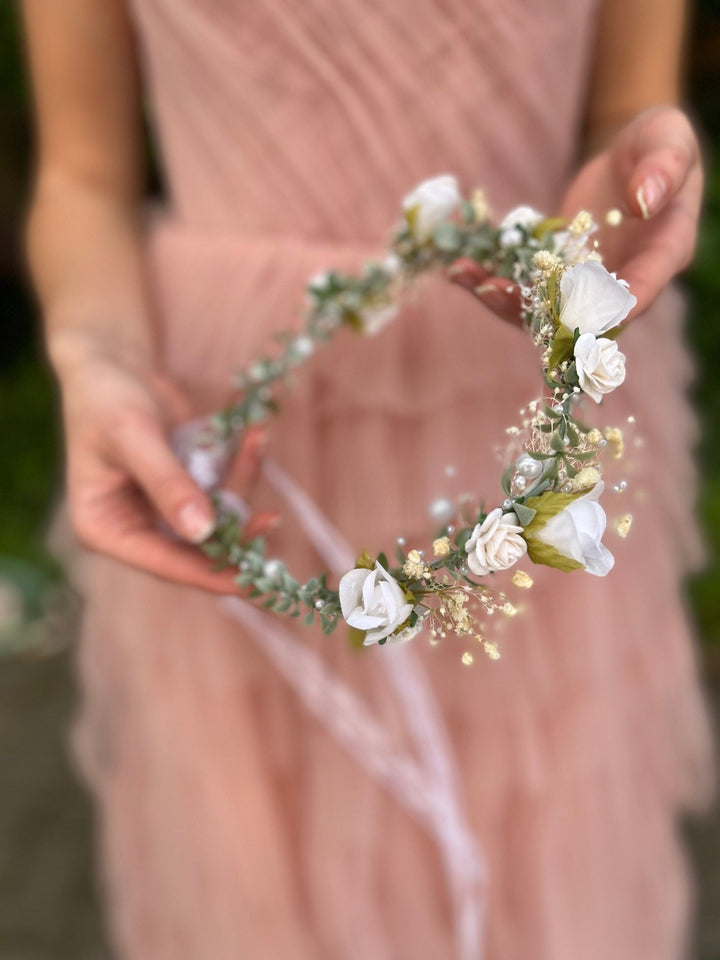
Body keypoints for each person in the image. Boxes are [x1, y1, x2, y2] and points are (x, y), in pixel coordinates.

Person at [21, 0, 714, 957]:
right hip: (232, 422)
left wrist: (621, 190)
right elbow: (83, 174)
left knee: (546, 861)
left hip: (513, 402)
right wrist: (96, 352)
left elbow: (624, 105)